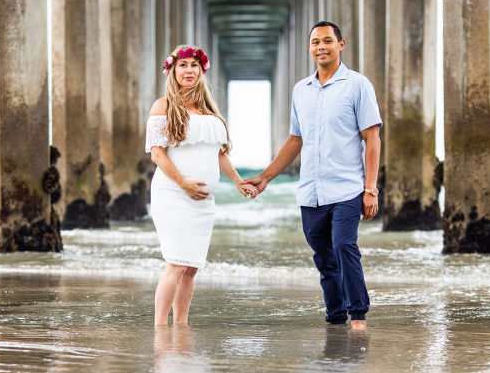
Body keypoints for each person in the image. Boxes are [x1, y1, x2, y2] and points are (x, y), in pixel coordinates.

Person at [245, 21, 382, 331]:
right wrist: (266, 177)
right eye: (315, 42)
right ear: (310, 48)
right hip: (310, 191)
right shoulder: (301, 90)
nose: (321, 46)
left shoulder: (358, 85)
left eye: (328, 41)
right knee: (324, 258)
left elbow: (371, 138)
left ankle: (358, 315)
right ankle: (335, 317)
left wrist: (370, 190)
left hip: (347, 187)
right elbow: (296, 140)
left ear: (341, 44)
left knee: (344, 246)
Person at [146, 45, 256, 327]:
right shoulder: (163, 106)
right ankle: (160, 326)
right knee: (177, 263)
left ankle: (181, 324)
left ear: (201, 71)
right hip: (172, 194)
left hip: (203, 202)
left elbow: (219, 154)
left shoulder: (209, 111)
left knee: (191, 268)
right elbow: (157, 153)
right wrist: (183, 183)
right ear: (172, 71)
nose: (189, 70)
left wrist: (238, 181)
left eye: (194, 65)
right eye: (182, 66)